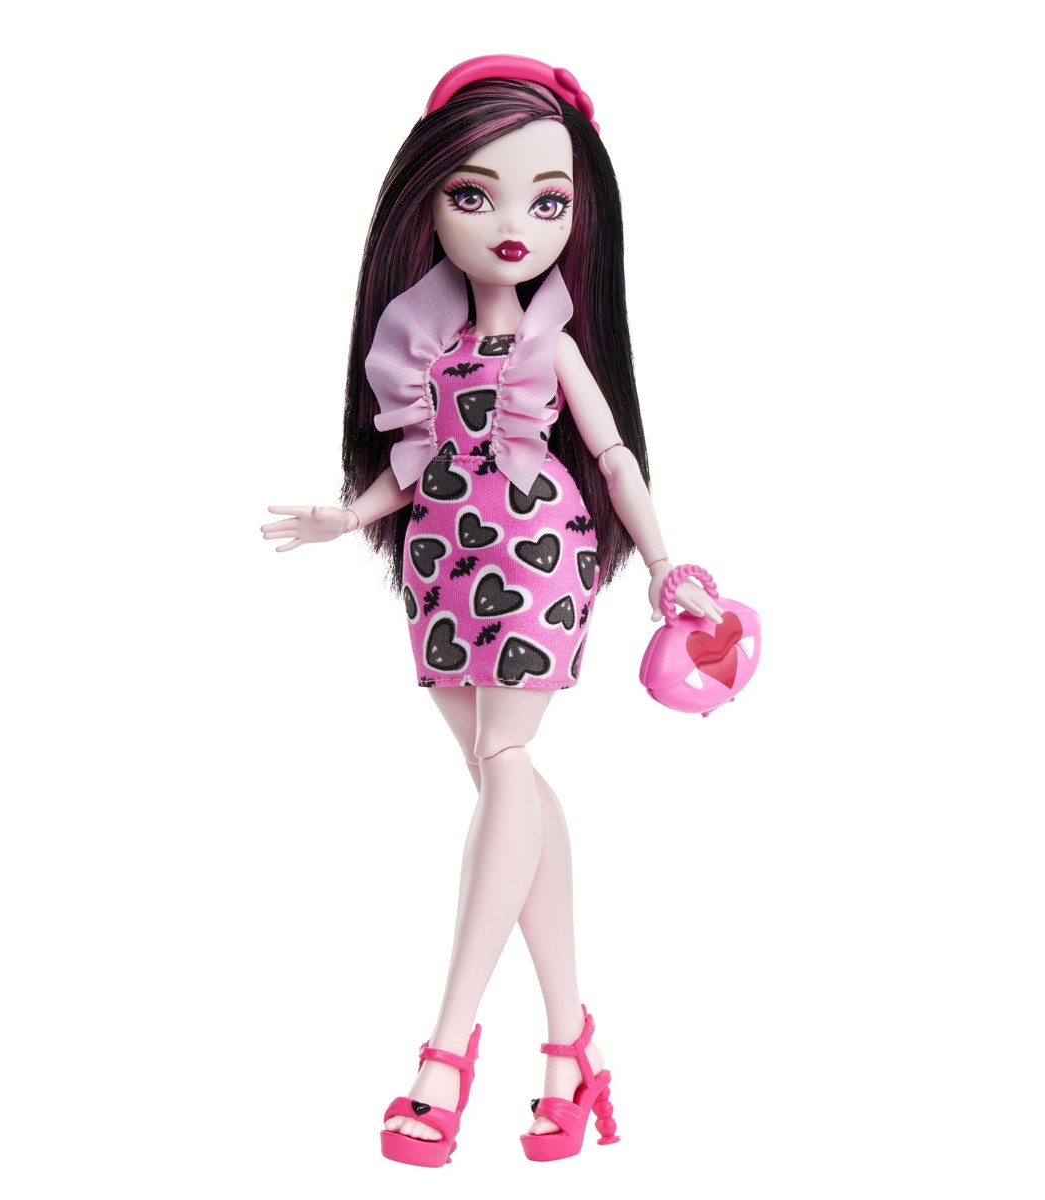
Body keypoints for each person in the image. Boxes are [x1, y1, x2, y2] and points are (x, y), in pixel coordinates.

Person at [261, 56, 721, 1166]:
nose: (514, 225)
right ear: (426, 204)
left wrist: (665, 564)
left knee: (505, 765)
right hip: (442, 568)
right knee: (504, 782)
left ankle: (446, 1049)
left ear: (578, 215)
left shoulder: (551, 344)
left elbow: (612, 457)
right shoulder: (422, 346)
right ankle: (571, 1047)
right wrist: (344, 516)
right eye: (477, 194)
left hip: (536, 552)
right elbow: (414, 465)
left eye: (547, 202)